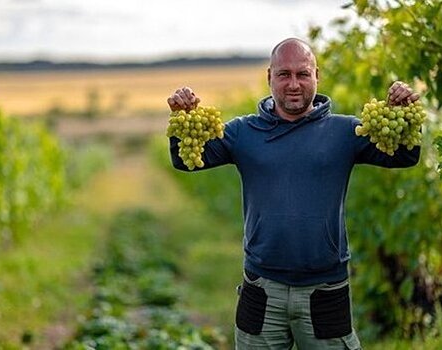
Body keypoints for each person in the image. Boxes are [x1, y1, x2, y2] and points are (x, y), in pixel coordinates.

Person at [166, 38, 421, 350]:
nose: (294, 84)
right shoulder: (242, 132)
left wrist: (405, 110)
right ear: (269, 77)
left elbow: (404, 156)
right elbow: (187, 161)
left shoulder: (346, 132)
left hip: (325, 290)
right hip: (261, 289)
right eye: (284, 74)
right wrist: (182, 116)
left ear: (317, 76)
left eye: (303, 74)